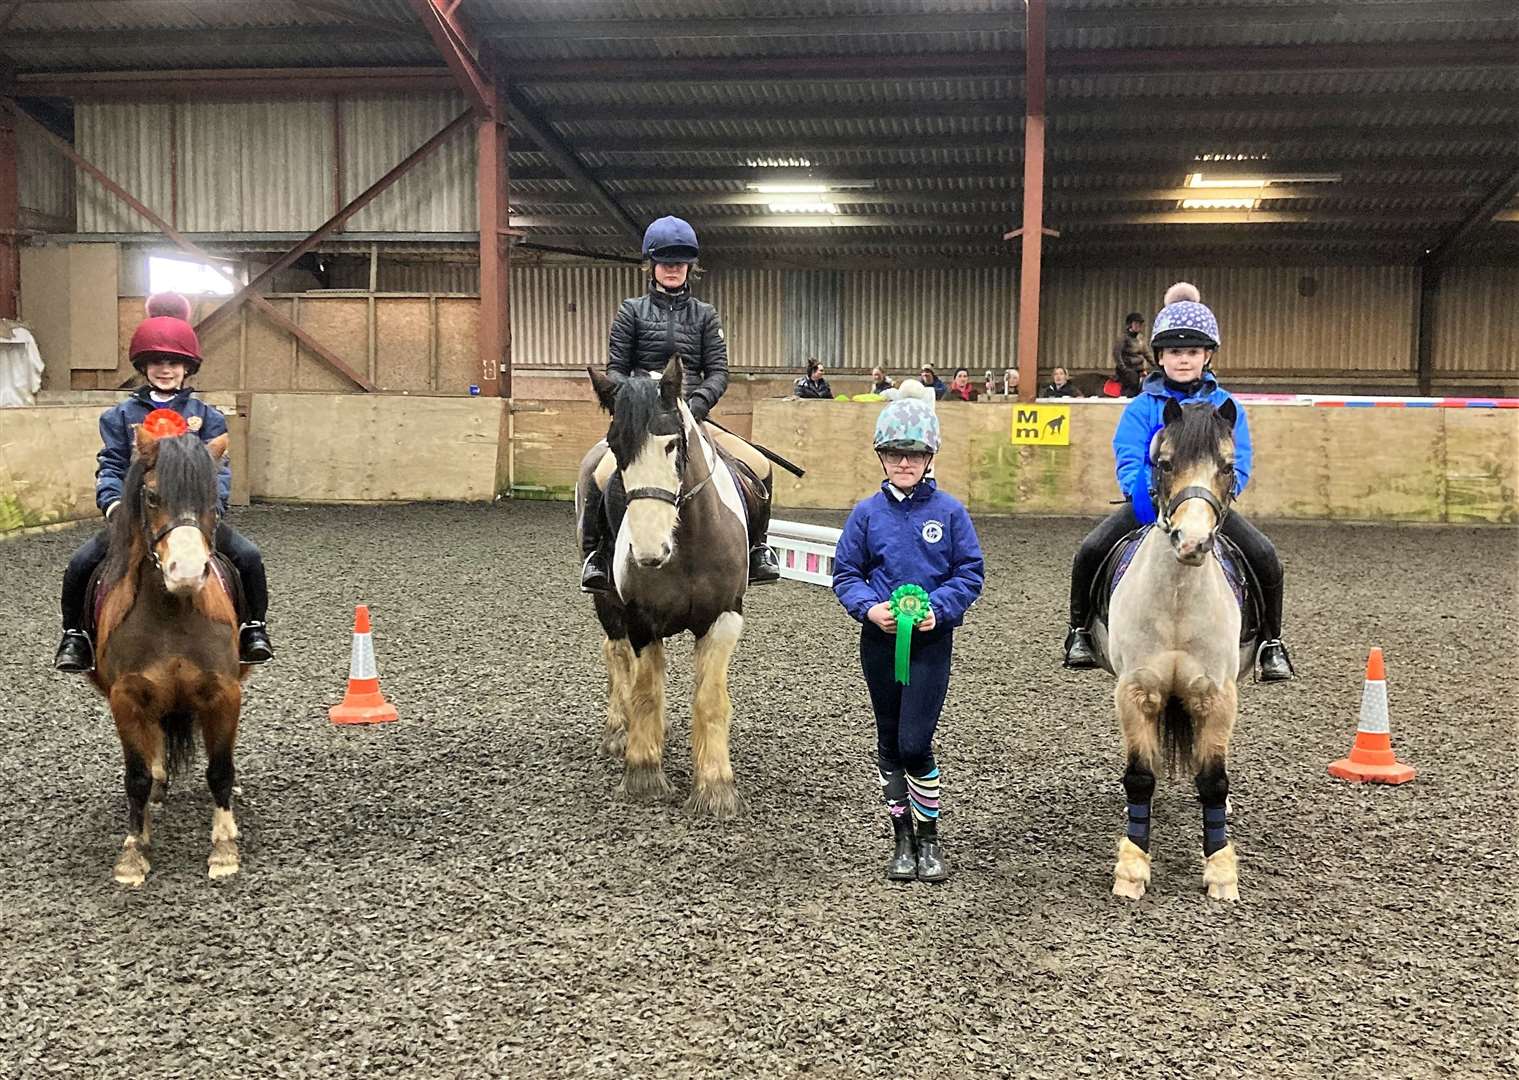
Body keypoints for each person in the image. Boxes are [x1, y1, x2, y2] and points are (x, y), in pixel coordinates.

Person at [1062, 283, 1294, 681]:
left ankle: (1272, 641)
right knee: (1090, 549)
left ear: (1206, 355)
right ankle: (1079, 630)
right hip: (1150, 506)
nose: (1183, 360)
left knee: (1265, 555)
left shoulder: (1227, 407)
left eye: (1191, 352)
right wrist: (1145, 496)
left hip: (1207, 509)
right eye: (1174, 352)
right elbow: (1129, 455)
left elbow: (1239, 460)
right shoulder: (1142, 407)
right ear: (1160, 357)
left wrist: (1220, 497)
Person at [54, 293, 273, 673]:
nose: (165, 369)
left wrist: (211, 508)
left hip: (192, 517)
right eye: (156, 362)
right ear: (144, 366)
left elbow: (219, 470)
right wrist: (114, 505)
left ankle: (254, 628)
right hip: (139, 518)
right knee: (80, 564)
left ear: (187, 368)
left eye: (174, 362)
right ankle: (76, 635)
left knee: (249, 557)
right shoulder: (120, 416)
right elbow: (112, 464)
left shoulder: (206, 417)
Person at [832, 387, 985, 884]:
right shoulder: (865, 514)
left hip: (930, 643)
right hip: (878, 641)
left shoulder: (950, 513)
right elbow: (846, 573)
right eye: (895, 453)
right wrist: (868, 608)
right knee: (889, 740)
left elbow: (969, 572)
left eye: (914, 454)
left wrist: (938, 611)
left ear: (929, 457)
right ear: (882, 456)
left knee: (916, 742)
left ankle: (930, 836)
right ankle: (901, 838)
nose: (904, 462)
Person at [579, 216, 781, 592]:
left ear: (690, 267)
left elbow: (718, 371)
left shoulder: (705, 315)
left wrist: (696, 407)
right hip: (644, 421)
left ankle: (756, 550)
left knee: (760, 466)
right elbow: (617, 371)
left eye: (680, 262)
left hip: (692, 416)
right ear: (652, 265)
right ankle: (599, 555)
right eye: (665, 261)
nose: (672, 268)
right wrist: (642, 402)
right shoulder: (631, 312)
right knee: (601, 475)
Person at [1113, 312, 1150, 398]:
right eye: (1136, 323)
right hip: (1127, 369)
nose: (1139, 326)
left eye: (1140, 324)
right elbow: (1116, 354)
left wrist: (1157, 365)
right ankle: (1127, 397)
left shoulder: (1141, 338)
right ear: (1129, 325)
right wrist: (1124, 368)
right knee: (1133, 384)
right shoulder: (1123, 338)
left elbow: (1147, 354)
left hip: (1139, 368)